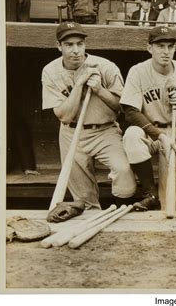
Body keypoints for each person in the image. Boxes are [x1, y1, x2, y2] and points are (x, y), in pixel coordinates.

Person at [41, 22, 137, 214]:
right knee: (83, 196)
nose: (76, 50)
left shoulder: (105, 66)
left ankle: (121, 213)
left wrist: (99, 90)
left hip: (105, 130)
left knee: (124, 172)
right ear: (58, 46)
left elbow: (122, 107)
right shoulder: (50, 71)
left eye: (80, 44)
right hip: (71, 133)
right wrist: (79, 86)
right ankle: (92, 225)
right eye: (69, 44)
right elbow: (64, 115)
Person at [120, 26, 176, 211]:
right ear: (149, 48)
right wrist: (158, 135)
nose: (166, 51)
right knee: (132, 135)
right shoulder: (138, 71)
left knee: (171, 201)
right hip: (150, 132)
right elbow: (130, 111)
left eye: (170, 46)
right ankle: (149, 192)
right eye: (160, 46)